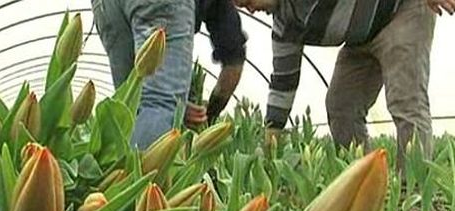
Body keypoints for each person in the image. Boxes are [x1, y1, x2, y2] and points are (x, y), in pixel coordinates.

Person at [233, 0, 454, 171]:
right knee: (341, 106)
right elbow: (283, 82)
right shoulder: (285, 25)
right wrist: (272, 134)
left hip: (402, 12)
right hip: (362, 37)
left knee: (405, 100)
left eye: (247, 2)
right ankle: (366, 179)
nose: (250, 10)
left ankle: (413, 193)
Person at [91, 0, 247, 149]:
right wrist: (210, 115)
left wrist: (180, 107)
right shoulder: (224, 8)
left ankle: (118, 173)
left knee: (128, 104)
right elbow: (233, 66)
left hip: (105, 6)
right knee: (159, 102)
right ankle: (139, 175)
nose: (248, 8)